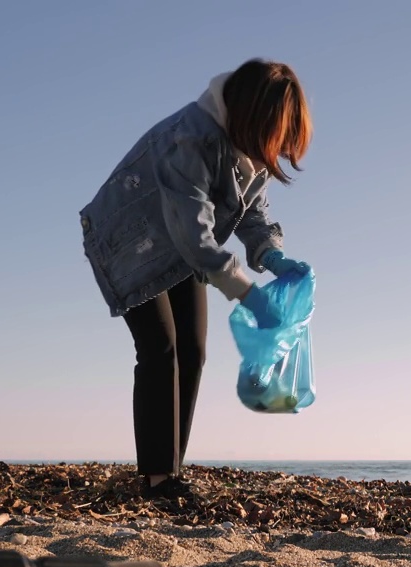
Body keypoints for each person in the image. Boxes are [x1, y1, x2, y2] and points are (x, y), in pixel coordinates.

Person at [78, 59, 313, 498]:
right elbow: (195, 235)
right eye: (277, 137)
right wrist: (249, 296)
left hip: (180, 246)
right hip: (129, 242)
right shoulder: (188, 140)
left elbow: (254, 215)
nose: (277, 150)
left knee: (194, 349)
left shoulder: (248, 148)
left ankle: (170, 471)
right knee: (160, 346)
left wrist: (275, 257)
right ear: (254, 117)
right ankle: (158, 478)